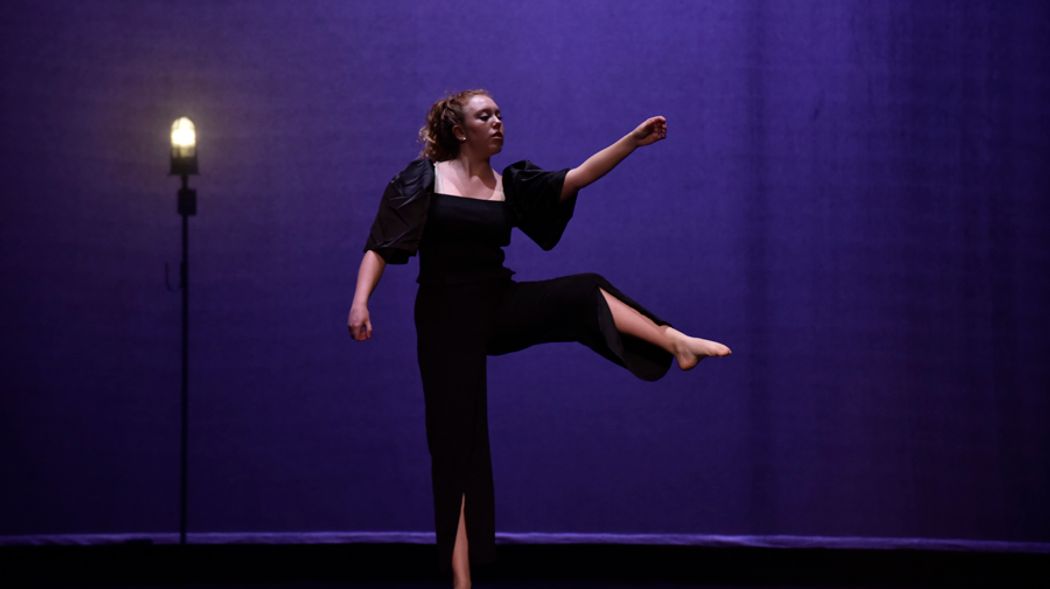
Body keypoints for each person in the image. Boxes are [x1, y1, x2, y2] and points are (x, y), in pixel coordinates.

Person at [348, 89, 731, 588]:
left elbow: (578, 176)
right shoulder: (425, 178)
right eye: (485, 116)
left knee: (580, 291)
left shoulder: (510, 184)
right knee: (456, 445)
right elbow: (381, 245)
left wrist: (631, 143)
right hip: (445, 320)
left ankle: (674, 341)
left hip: (498, 304)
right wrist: (361, 301)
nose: (498, 121)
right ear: (460, 130)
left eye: (500, 114)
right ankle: (461, 579)